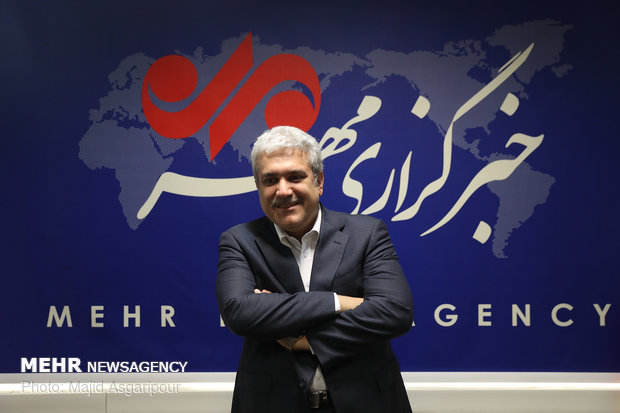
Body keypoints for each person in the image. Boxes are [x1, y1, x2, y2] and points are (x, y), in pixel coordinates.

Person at [216, 126, 413, 412]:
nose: (283, 190)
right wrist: (338, 302)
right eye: (270, 180)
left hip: (366, 401)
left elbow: (395, 312)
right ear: (258, 186)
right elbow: (240, 313)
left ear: (319, 181)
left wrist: (303, 341)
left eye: (295, 177)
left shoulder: (367, 233)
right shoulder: (238, 241)